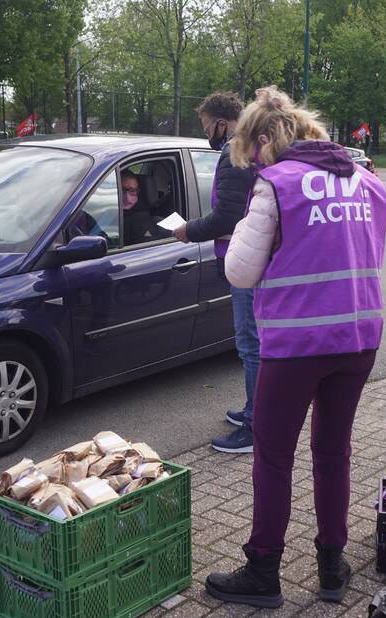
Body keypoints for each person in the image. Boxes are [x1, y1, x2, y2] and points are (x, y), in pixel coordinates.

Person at [205, 86, 386, 607]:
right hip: (358, 339)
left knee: (273, 456)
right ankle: (332, 566)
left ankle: (263, 570)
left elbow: (240, 272)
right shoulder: (367, 182)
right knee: (333, 452)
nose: (253, 162)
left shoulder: (277, 183)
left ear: (266, 140)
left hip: (296, 345)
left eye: (251, 151)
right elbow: (368, 249)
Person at [172, 92, 258, 454]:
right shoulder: (255, 147)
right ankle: (254, 410)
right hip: (257, 257)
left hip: (247, 261)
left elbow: (227, 217)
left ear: (221, 123)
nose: (207, 134)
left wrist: (187, 230)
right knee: (254, 343)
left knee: (250, 345)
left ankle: (255, 426)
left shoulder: (234, 151)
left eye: (207, 127)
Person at [121, 170, 161, 246]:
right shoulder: (109, 211)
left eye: (132, 191)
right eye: (122, 190)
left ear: (138, 192)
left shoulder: (142, 222)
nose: (127, 197)